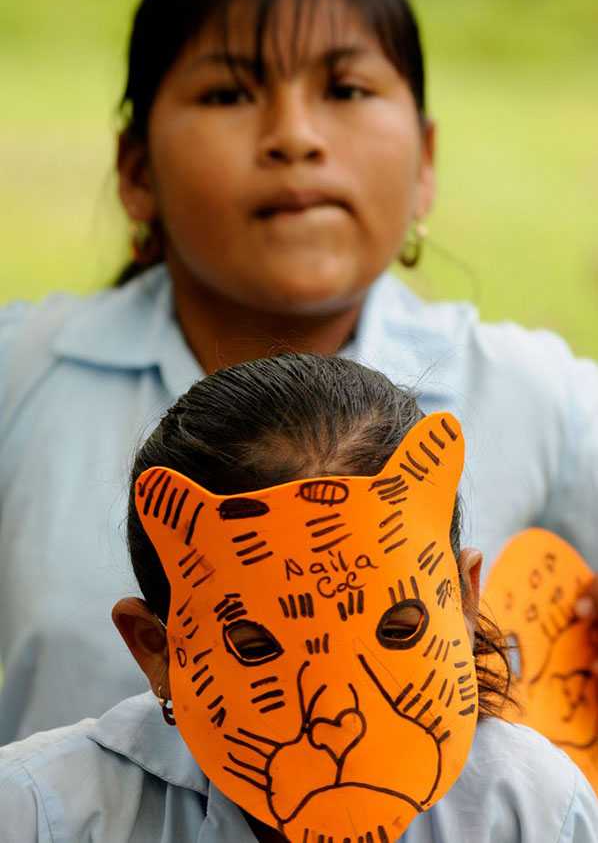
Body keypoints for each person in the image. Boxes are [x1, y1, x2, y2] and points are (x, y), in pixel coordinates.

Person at [0, 0, 596, 744]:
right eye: (228, 92)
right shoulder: (22, 377)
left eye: (346, 88)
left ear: (425, 162)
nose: (295, 136)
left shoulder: (535, 399)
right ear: (136, 169)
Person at [0, 353, 595, 843]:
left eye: (398, 629)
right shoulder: (45, 816)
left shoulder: (530, 813)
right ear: (158, 650)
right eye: (257, 645)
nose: (337, 714)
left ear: (463, 603)